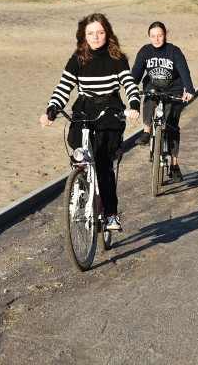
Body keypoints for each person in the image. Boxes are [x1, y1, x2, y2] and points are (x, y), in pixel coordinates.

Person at [40, 13, 141, 232]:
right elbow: (64, 87)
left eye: (100, 32)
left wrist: (134, 105)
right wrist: (51, 110)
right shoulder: (78, 58)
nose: (96, 37)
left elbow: (129, 84)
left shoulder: (117, 58)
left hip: (110, 111)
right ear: (83, 36)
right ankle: (82, 180)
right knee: (77, 145)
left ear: (107, 33)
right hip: (84, 109)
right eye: (91, 33)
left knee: (103, 162)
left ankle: (111, 214)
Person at [131, 21, 195, 182]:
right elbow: (136, 72)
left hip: (173, 89)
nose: (157, 39)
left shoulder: (174, 51)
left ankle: (174, 165)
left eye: (159, 35)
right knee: (149, 97)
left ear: (165, 35)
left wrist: (189, 89)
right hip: (154, 88)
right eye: (153, 36)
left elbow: (183, 70)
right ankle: (146, 132)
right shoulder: (145, 51)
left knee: (172, 125)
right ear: (149, 37)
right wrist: (130, 87)